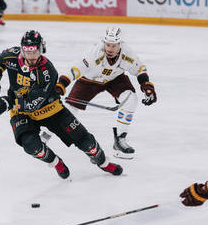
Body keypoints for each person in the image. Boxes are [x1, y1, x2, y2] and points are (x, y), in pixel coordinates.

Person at [0, 30, 123, 179]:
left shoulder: (48, 72)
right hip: (22, 113)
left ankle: (103, 163)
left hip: (50, 109)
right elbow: (1, 60)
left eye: (35, 52)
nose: (31, 57)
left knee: (88, 144)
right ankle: (56, 162)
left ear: (41, 49)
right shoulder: (12, 55)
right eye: (27, 53)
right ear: (22, 50)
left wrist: (5, 103)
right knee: (32, 147)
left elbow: (32, 103)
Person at [54, 27, 157, 159]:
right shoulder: (94, 53)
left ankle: (120, 139)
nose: (110, 48)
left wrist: (147, 86)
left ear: (120, 44)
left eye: (114, 45)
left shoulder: (127, 53)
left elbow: (139, 68)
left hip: (115, 79)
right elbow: (76, 68)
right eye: (107, 44)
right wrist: (62, 83)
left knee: (131, 99)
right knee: (69, 109)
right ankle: (46, 134)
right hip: (90, 80)